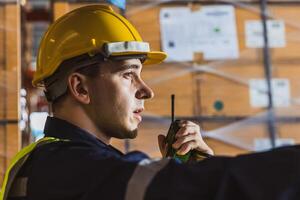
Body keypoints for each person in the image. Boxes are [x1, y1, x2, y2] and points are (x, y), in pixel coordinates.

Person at [2, 4, 300, 200]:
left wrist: (183, 169)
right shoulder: (64, 168)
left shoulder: (53, 161)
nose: (146, 91)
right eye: (129, 75)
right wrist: (182, 178)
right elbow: (208, 190)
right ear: (80, 87)